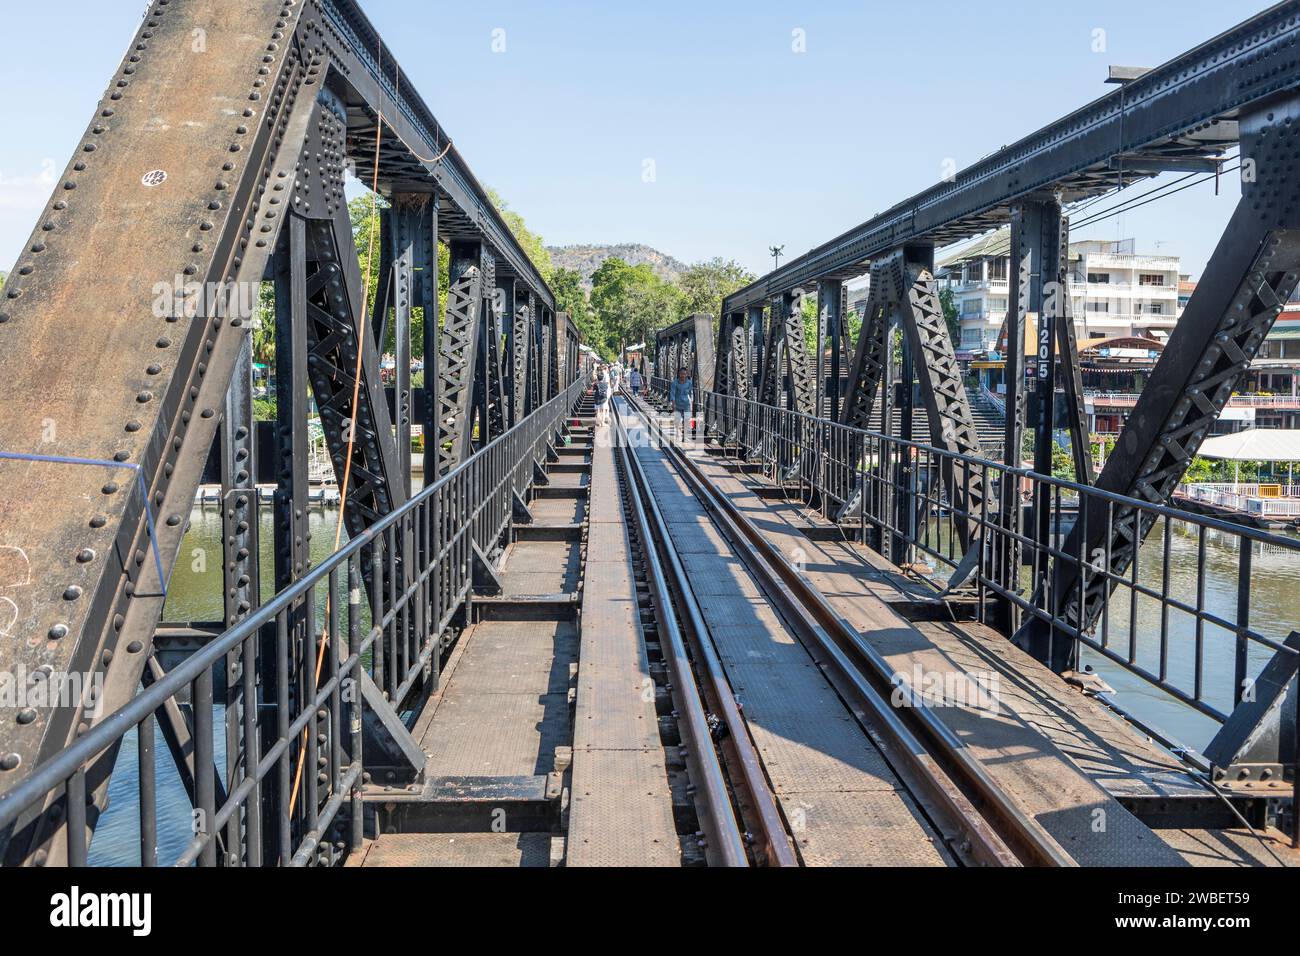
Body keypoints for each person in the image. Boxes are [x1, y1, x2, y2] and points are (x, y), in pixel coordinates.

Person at [669, 367, 694, 441]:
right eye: (682, 374)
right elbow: (672, 394)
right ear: (679, 374)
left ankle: (685, 436)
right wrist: (673, 403)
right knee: (678, 420)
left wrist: (691, 401)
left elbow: (690, 392)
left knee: (687, 419)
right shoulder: (675, 383)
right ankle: (677, 432)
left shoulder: (689, 382)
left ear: (686, 375)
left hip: (686, 404)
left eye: (685, 374)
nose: (683, 375)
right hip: (677, 404)